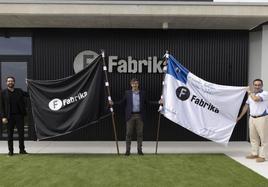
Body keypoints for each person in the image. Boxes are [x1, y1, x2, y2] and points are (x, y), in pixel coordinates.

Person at [111, 78, 149, 156]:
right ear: (131, 84)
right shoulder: (127, 93)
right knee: (128, 134)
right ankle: (127, 151)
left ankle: (139, 151)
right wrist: (113, 103)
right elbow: (121, 102)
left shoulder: (142, 93)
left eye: (136, 83)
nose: (135, 85)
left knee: (140, 134)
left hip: (140, 116)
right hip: (130, 116)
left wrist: (158, 102)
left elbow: (148, 102)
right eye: (133, 84)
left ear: (138, 84)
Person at [237, 79, 268, 162]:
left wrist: (249, 92)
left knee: (264, 138)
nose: (257, 86)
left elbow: (256, 99)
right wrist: (239, 117)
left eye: (259, 85)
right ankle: (254, 153)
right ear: (253, 85)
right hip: (252, 118)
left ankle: (263, 156)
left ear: (262, 85)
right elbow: (246, 106)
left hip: (262, 118)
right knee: (253, 137)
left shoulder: (265, 94)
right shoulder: (251, 95)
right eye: (255, 85)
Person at [1, 76, 28, 156]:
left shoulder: (19, 91)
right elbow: (1, 106)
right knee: (10, 135)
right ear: (6, 83)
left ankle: (22, 150)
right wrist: (3, 117)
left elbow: (29, 94)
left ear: (14, 82)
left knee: (21, 134)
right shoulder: (3, 93)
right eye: (9, 81)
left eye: (12, 81)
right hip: (9, 117)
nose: (10, 82)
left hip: (19, 116)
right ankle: (11, 151)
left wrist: (29, 85)